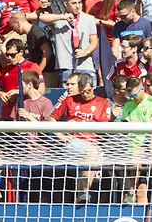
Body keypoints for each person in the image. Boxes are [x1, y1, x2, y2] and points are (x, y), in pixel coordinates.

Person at [46, 73, 110, 203]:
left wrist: (83, 124)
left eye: (88, 91)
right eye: (82, 92)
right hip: (72, 143)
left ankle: (82, 195)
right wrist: (60, 135)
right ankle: (84, 193)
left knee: (92, 154)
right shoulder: (70, 100)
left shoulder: (103, 103)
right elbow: (50, 118)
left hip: (93, 144)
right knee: (91, 153)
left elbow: (105, 128)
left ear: (93, 87)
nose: (85, 95)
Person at [38, 0, 98, 85]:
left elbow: (94, 42)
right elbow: (42, 18)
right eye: (73, 3)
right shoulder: (58, 19)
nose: (77, 6)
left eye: (79, 2)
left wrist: (86, 51)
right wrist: (63, 17)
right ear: (65, 4)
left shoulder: (89, 19)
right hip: (66, 65)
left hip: (85, 65)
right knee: (68, 96)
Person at [119, 76, 152, 204]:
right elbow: (124, 125)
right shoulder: (128, 105)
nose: (132, 99)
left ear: (142, 89)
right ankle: (131, 191)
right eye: (130, 96)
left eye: (134, 96)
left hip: (148, 151)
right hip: (129, 151)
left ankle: (131, 189)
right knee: (141, 189)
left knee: (142, 191)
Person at [0, 38, 44, 120]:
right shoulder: (5, 69)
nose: (9, 58)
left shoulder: (32, 67)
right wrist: (1, 94)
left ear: (21, 52)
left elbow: (41, 91)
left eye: (12, 55)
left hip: (25, 113)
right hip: (7, 114)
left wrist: (19, 92)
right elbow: (1, 89)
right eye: (7, 55)